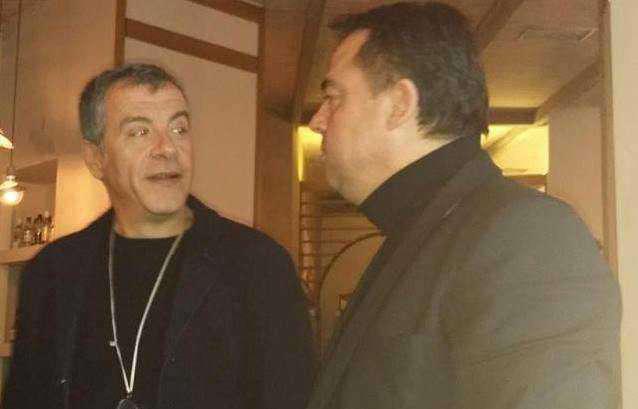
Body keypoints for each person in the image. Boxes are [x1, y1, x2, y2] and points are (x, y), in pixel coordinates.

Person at [306, 3, 621, 409]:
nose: (317, 120)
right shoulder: (427, 232)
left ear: (400, 103)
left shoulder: (526, 235)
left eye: (334, 98)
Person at [3, 63, 314, 409]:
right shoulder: (52, 273)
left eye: (179, 129)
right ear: (95, 158)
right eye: (139, 132)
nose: (167, 148)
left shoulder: (258, 266)